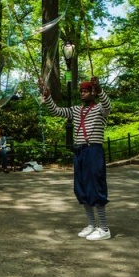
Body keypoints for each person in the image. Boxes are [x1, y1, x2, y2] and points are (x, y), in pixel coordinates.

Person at [40, 76, 112, 241]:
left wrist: (99, 89)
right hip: (79, 152)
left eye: (86, 91)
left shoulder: (101, 109)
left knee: (96, 187)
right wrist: (48, 95)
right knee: (81, 188)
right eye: (81, 91)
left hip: (93, 150)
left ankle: (104, 228)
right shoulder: (76, 110)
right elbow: (56, 111)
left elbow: (108, 105)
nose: (83, 94)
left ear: (93, 93)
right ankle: (91, 225)